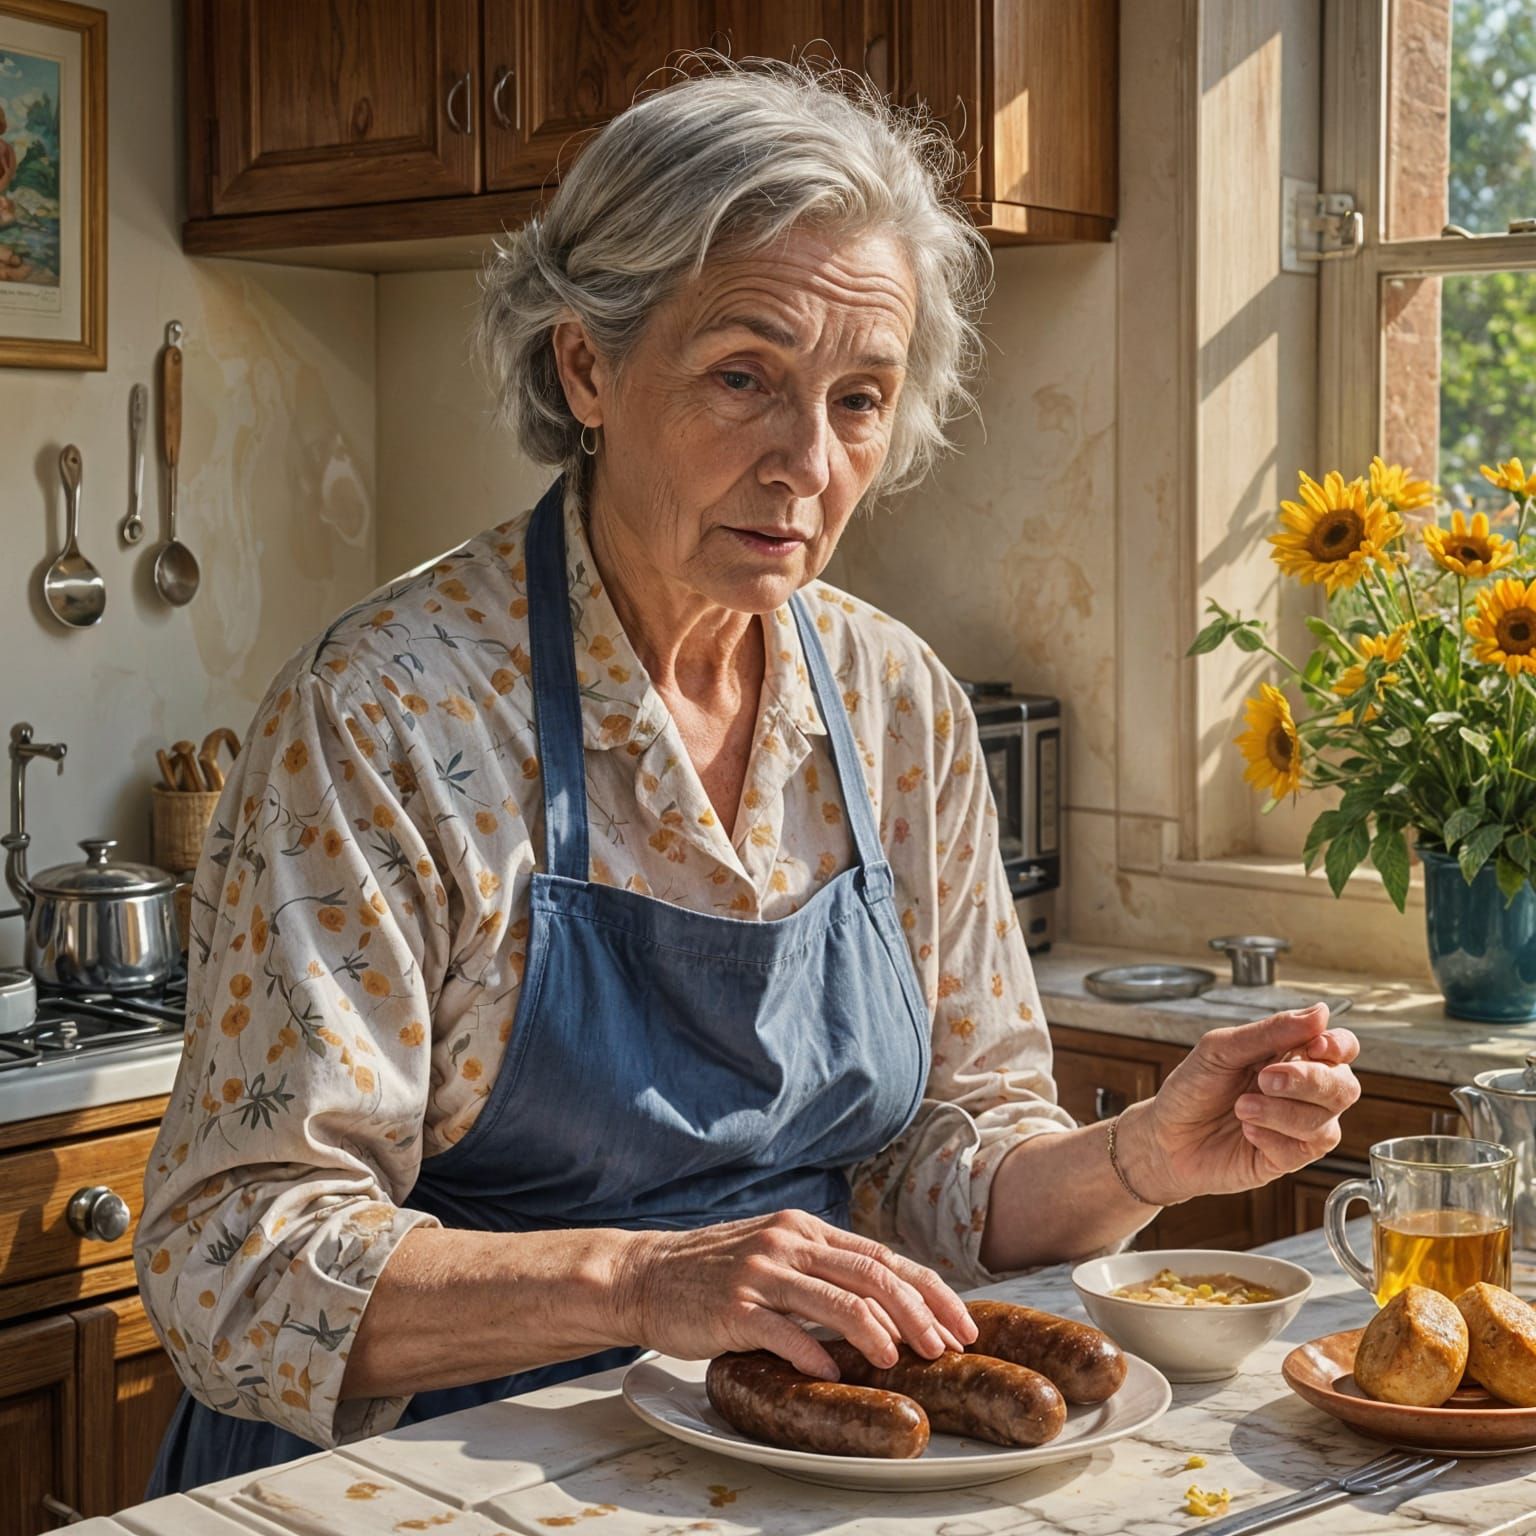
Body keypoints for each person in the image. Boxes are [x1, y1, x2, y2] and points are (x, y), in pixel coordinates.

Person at [136, 55, 1360, 1492]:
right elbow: (236, 1261)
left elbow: (942, 1167)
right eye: (744, 377)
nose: (806, 461)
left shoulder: (899, 705)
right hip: (419, 1478)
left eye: (859, 400)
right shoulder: (386, 716)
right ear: (585, 364)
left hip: (766, 1469)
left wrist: (1145, 1158)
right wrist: (648, 1285)